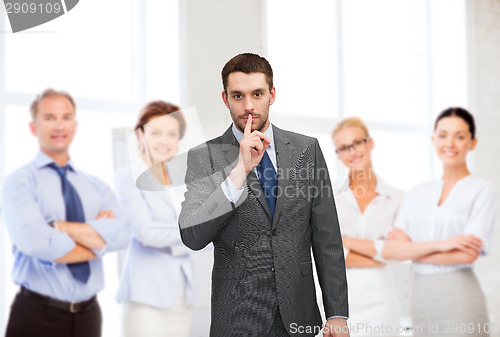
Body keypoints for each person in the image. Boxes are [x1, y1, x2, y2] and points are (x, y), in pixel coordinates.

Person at [178, 53, 349, 337]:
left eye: (257, 94)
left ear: (271, 94)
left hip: (299, 316)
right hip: (237, 318)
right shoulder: (204, 157)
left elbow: (327, 238)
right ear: (225, 99)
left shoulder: (307, 150)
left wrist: (337, 313)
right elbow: (192, 235)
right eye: (237, 96)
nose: (248, 106)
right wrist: (239, 171)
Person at [1, 88, 129, 337]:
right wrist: (99, 240)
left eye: (66, 117)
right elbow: (35, 242)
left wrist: (58, 227)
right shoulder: (19, 183)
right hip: (37, 316)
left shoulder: (96, 186)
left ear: (75, 125)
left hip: (89, 316)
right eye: (49, 117)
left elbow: (123, 234)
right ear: (33, 127)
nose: (59, 125)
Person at [382, 107, 497, 336]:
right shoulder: (416, 193)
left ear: (472, 143)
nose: (450, 143)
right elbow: (390, 251)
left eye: (460, 136)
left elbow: (467, 254)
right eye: (443, 135)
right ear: (433, 139)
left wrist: (410, 248)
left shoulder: (483, 191)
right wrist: (444, 244)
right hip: (422, 297)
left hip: (461, 295)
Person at [114, 101, 194, 337]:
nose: (164, 141)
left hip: (182, 297)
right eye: (156, 133)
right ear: (140, 136)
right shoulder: (127, 178)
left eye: (172, 134)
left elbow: (206, 235)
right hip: (145, 298)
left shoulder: (183, 181)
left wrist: (174, 236)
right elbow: (146, 233)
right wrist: (191, 233)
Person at [331, 117, 402, 336]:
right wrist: (379, 251)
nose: (352, 152)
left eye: (357, 143)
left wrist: (344, 243)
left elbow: (397, 253)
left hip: (381, 301)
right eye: (343, 148)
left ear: (369, 143)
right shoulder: (329, 197)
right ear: (338, 154)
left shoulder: (397, 199)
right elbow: (326, 254)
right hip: (337, 302)